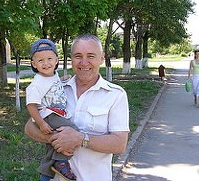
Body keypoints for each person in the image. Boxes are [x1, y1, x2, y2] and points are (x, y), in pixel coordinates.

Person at [25, 34, 130, 181]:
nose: (84, 62)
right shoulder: (57, 89)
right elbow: (30, 127)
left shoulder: (115, 95)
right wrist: (56, 138)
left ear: (102, 58)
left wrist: (80, 139)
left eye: (91, 56)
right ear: (71, 59)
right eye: (78, 56)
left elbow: (119, 144)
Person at [26, 38, 78, 181]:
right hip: (49, 115)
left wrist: (62, 80)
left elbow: (52, 85)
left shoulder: (52, 76)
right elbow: (31, 105)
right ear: (34, 64)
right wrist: (41, 123)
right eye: (41, 60)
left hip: (55, 113)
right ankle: (61, 161)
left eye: (49, 59)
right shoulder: (37, 83)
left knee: (52, 147)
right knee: (72, 131)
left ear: (56, 60)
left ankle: (45, 175)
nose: (46, 63)